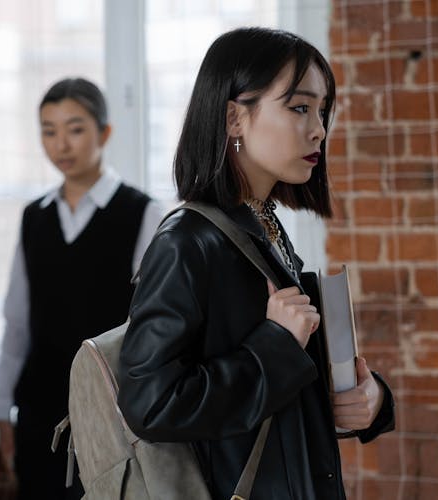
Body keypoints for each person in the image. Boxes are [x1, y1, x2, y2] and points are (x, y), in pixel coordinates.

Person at [116, 27, 395, 500]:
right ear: (234, 119)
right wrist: (275, 344)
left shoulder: (262, 227)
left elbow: (276, 393)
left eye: (323, 110)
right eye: (300, 107)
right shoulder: (187, 241)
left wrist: (371, 400)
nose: (319, 129)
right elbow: (150, 404)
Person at [0, 77, 165, 500]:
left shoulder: (143, 213)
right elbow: (17, 323)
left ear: (104, 133)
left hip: (112, 408)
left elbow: (153, 326)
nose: (61, 144)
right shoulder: (34, 217)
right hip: (39, 412)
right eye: (48, 131)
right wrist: (1, 410)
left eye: (75, 128)